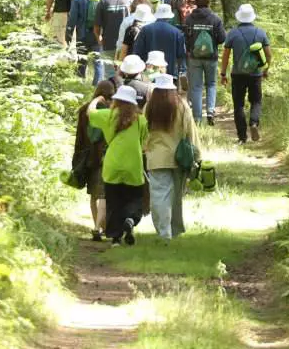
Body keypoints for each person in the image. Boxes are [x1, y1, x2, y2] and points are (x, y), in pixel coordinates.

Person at [89, 84, 149, 245]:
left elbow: (90, 114)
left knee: (114, 200)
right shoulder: (140, 120)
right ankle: (130, 219)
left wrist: (96, 100)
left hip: (112, 162)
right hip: (133, 163)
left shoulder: (109, 115)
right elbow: (144, 143)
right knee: (135, 197)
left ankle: (115, 238)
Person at [144, 74, 200, 241]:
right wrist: (197, 155)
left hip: (156, 157)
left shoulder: (150, 106)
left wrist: (143, 150)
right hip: (179, 157)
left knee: (159, 196)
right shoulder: (181, 105)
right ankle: (173, 231)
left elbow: (143, 132)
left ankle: (164, 232)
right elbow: (191, 131)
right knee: (176, 197)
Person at [220, 3, 273, 145]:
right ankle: (254, 123)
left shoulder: (233, 33)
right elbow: (268, 55)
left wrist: (223, 73)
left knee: (238, 105)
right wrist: (265, 70)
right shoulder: (260, 33)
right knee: (256, 101)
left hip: (237, 74)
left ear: (239, 17)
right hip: (255, 74)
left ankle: (242, 137)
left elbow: (225, 55)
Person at [73, 79, 117, 241]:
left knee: (93, 194)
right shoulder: (111, 112)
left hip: (89, 158)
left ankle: (96, 225)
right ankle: (102, 227)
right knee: (105, 194)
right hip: (105, 156)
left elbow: (79, 137)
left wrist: (77, 159)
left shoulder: (85, 110)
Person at [183, 0, 227, 124]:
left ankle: (197, 118)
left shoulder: (189, 19)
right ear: (208, 2)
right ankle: (210, 112)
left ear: (195, 3)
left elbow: (185, 38)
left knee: (196, 86)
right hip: (211, 57)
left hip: (194, 58)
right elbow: (222, 38)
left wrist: (191, 48)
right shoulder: (215, 19)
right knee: (211, 84)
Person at [67, 0, 106, 84]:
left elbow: (72, 18)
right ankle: (97, 87)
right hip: (98, 34)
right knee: (98, 62)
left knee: (81, 60)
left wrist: (68, 34)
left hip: (82, 34)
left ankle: (80, 84)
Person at [133, 3, 188, 82]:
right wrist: (182, 71)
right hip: (169, 73)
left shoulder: (145, 29)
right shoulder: (177, 33)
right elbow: (181, 54)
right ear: (169, 16)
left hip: (148, 73)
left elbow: (137, 51)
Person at [94, 0, 132, 83]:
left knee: (110, 75)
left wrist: (99, 40)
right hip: (126, 44)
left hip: (108, 43)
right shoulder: (128, 1)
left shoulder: (102, 3)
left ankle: (110, 96)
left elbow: (96, 26)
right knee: (126, 72)